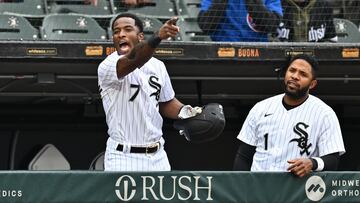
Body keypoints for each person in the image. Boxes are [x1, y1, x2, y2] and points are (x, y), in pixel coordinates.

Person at [97, 13, 202, 171]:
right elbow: (135, 60)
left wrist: (187, 112)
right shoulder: (108, 66)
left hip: (158, 156)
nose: (121, 34)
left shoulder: (158, 66)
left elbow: (165, 102)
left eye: (127, 29)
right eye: (116, 31)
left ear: (140, 36)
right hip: (123, 156)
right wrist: (158, 36)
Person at [233, 54, 345, 177]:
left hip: (296, 190)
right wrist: (241, 190)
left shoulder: (324, 114)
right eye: (292, 70)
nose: (295, 76)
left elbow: (333, 160)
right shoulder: (260, 108)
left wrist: (313, 163)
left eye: (303, 74)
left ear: (312, 84)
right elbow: (244, 156)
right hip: (258, 186)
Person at [197, 0, 283, 42]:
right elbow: (205, 26)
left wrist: (253, 3)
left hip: (257, 53)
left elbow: (272, 25)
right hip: (223, 52)